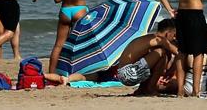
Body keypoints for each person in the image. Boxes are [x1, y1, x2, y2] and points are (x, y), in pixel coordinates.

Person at [46, 18, 182, 91]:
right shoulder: (160, 40)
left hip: (125, 73)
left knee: (158, 55)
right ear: (168, 33)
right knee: (161, 53)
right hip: (127, 74)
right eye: (174, 35)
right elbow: (177, 52)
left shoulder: (149, 39)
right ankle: (150, 89)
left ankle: (143, 89)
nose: (174, 38)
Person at [50, 0, 92, 73]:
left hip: (65, 11)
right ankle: (77, 71)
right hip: (80, 10)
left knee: (58, 45)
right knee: (80, 44)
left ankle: (51, 74)